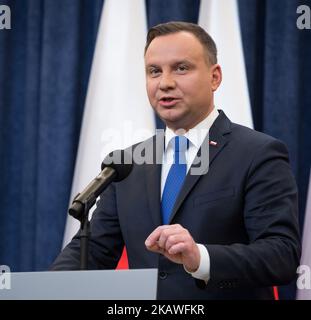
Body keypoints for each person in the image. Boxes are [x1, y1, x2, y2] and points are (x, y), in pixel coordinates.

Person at [51, 21, 301, 300]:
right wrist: (47, 290)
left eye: (181, 68)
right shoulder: (127, 163)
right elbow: (94, 251)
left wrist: (201, 257)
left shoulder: (258, 153)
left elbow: (282, 255)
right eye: (154, 71)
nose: (165, 82)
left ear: (215, 77)